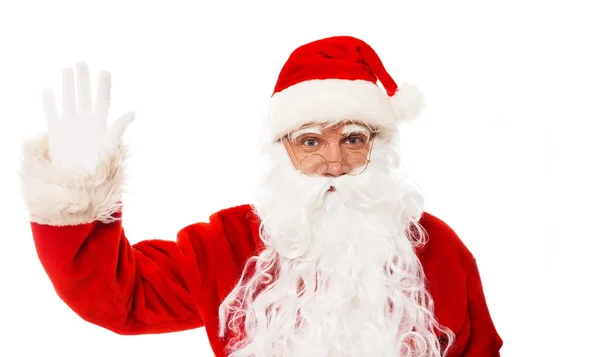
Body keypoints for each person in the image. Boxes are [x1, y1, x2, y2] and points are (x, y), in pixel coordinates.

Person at [20, 35, 502, 357]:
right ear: (282, 149)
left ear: (378, 146)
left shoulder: (438, 249)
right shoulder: (228, 245)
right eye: (311, 141)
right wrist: (75, 188)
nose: (334, 163)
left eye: (353, 140)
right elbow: (121, 299)